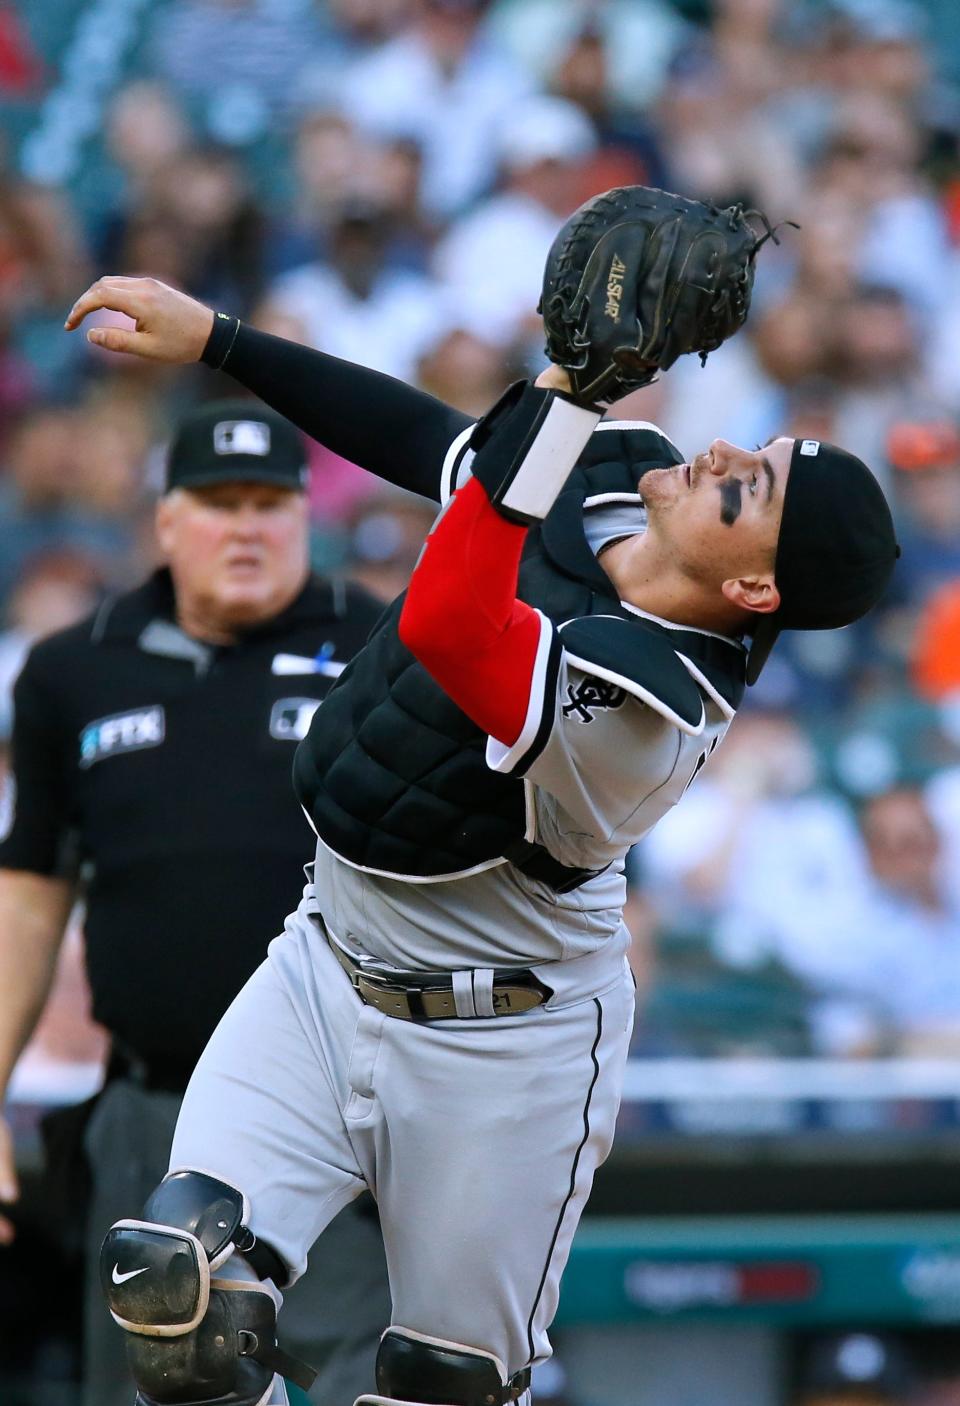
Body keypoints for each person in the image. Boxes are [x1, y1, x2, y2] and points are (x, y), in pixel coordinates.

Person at [63, 270, 898, 1406]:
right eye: (748, 449)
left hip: (506, 1041)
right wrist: (222, 337)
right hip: (329, 963)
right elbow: (431, 444)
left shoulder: (654, 705)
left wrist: (561, 388)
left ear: (753, 583)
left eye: (744, 491)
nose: (716, 459)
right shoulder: (618, 466)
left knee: (439, 1384)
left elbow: (452, 621)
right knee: (176, 1286)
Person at [0, 398, 389, 1406]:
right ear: (165, 519)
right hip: (152, 1112)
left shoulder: (388, 651)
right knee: (153, 1385)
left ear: (307, 515)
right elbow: (32, 898)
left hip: (355, 1118)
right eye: (219, 503)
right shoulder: (70, 671)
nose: (247, 526)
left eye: (270, 502)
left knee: (365, 1383)